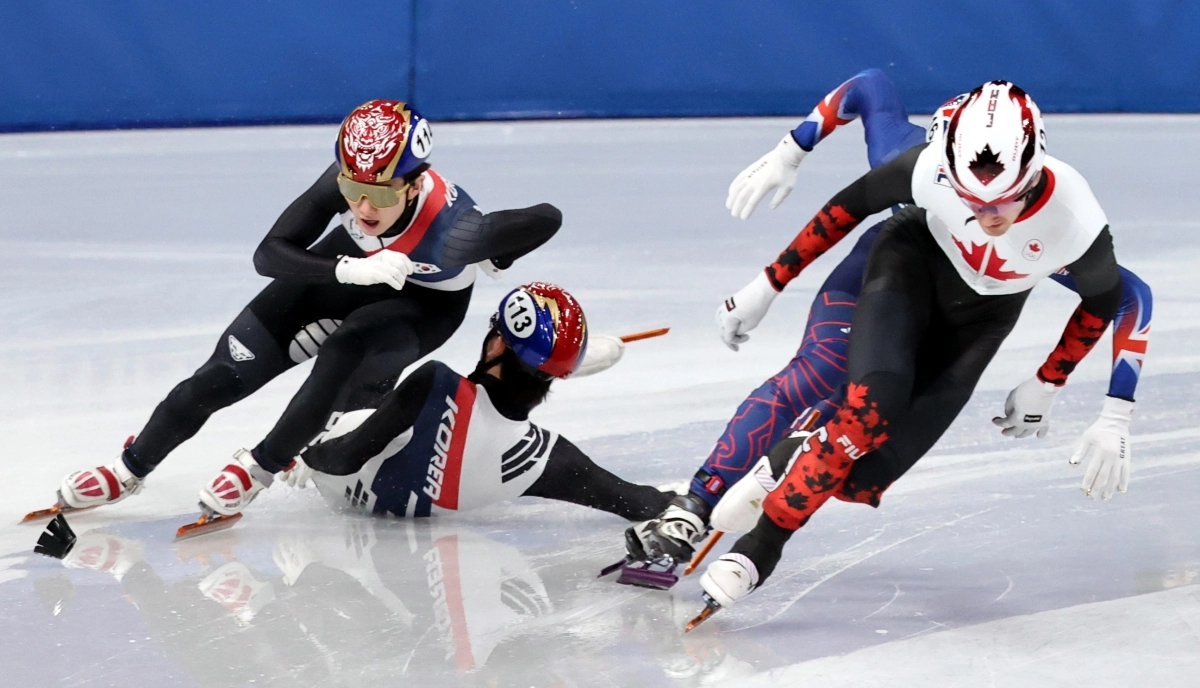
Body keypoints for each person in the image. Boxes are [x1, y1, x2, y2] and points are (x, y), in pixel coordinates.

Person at [622, 70, 1152, 576]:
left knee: (865, 459)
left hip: (959, 324)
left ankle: (795, 455)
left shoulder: (1056, 225)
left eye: (1006, 200)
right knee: (822, 371)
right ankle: (694, 506)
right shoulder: (917, 165)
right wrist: (790, 157)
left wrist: (1078, 397)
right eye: (971, 200)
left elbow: (1125, 294)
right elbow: (870, 88)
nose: (990, 217)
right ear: (947, 170)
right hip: (889, 276)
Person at [49, 100, 564, 519]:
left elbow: (547, 216)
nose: (362, 207)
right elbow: (268, 254)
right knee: (221, 375)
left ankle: (261, 466)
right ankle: (128, 469)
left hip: (422, 304)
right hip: (353, 269)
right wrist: (345, 268)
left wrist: (499, 249)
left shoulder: (455, 234)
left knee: (344, 350)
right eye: (352, 189)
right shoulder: (352, 181)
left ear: (411, 184)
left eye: (377, 195)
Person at [228, 282, 674, 521]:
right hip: (406, 507)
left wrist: (301, 455)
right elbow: (638, 501)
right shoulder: (546, 458)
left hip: (339, 476)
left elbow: (345, 457)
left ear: (497, 345)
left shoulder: (434, 383)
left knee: (378, 343)